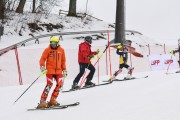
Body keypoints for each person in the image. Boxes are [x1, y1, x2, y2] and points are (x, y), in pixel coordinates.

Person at [38, 36, 67, 108]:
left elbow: (63, 61)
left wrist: (64, 70)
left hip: (59, 71)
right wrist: (42, 67)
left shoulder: (61, 50)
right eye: (51, 43)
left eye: (54, 43)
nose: (52, 44)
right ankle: (42, 101)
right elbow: (42, 59)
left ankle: (53, 100)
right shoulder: (47, 50)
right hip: (49, 71)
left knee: (60, 84)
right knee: (49, 84)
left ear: (57, 43)